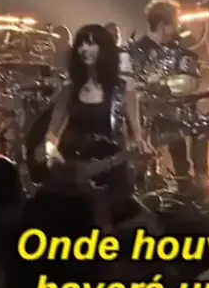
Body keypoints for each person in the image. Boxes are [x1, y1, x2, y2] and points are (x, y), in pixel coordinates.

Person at [43, 24, 144, 192]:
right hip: (74, 168)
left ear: (104, 48)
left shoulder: (124, 87)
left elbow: (136, 134)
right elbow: (52, 132)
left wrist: (138, 151)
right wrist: (51, 151)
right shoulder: (70, 88)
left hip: (112, 168)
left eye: (90, 43)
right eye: (80, 44)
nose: (83, 49)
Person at [131, 0, 208, 192]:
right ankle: (144, 183)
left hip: (173, 115)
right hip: (143, 116)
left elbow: (190, 82)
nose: (177, 28)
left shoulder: (178, 52)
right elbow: (130, 87)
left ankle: (194, 179)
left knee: (201, 125)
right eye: (174, 24)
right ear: (162, 25)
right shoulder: (135, 52)